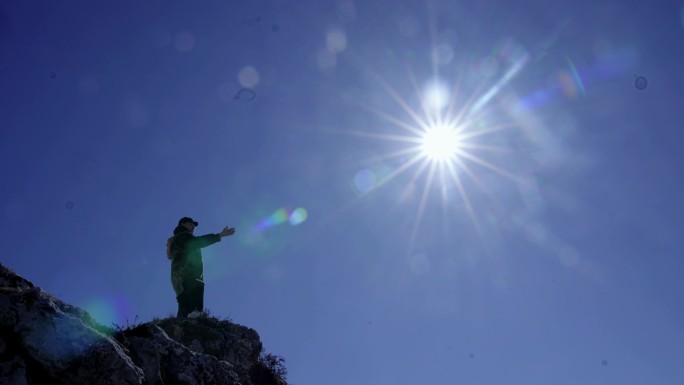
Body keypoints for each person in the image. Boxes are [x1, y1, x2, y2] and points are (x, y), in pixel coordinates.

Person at [168, 217, 236, 318]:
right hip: (187, 276)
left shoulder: (179, 238)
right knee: (193, 310)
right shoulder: (183, 237)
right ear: (183, 224)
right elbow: (197, 242)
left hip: (180, 278)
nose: (194, 227)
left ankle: (182, 327)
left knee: (184, 311)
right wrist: (220, 235)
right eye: (191, 224)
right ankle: (193, 317)